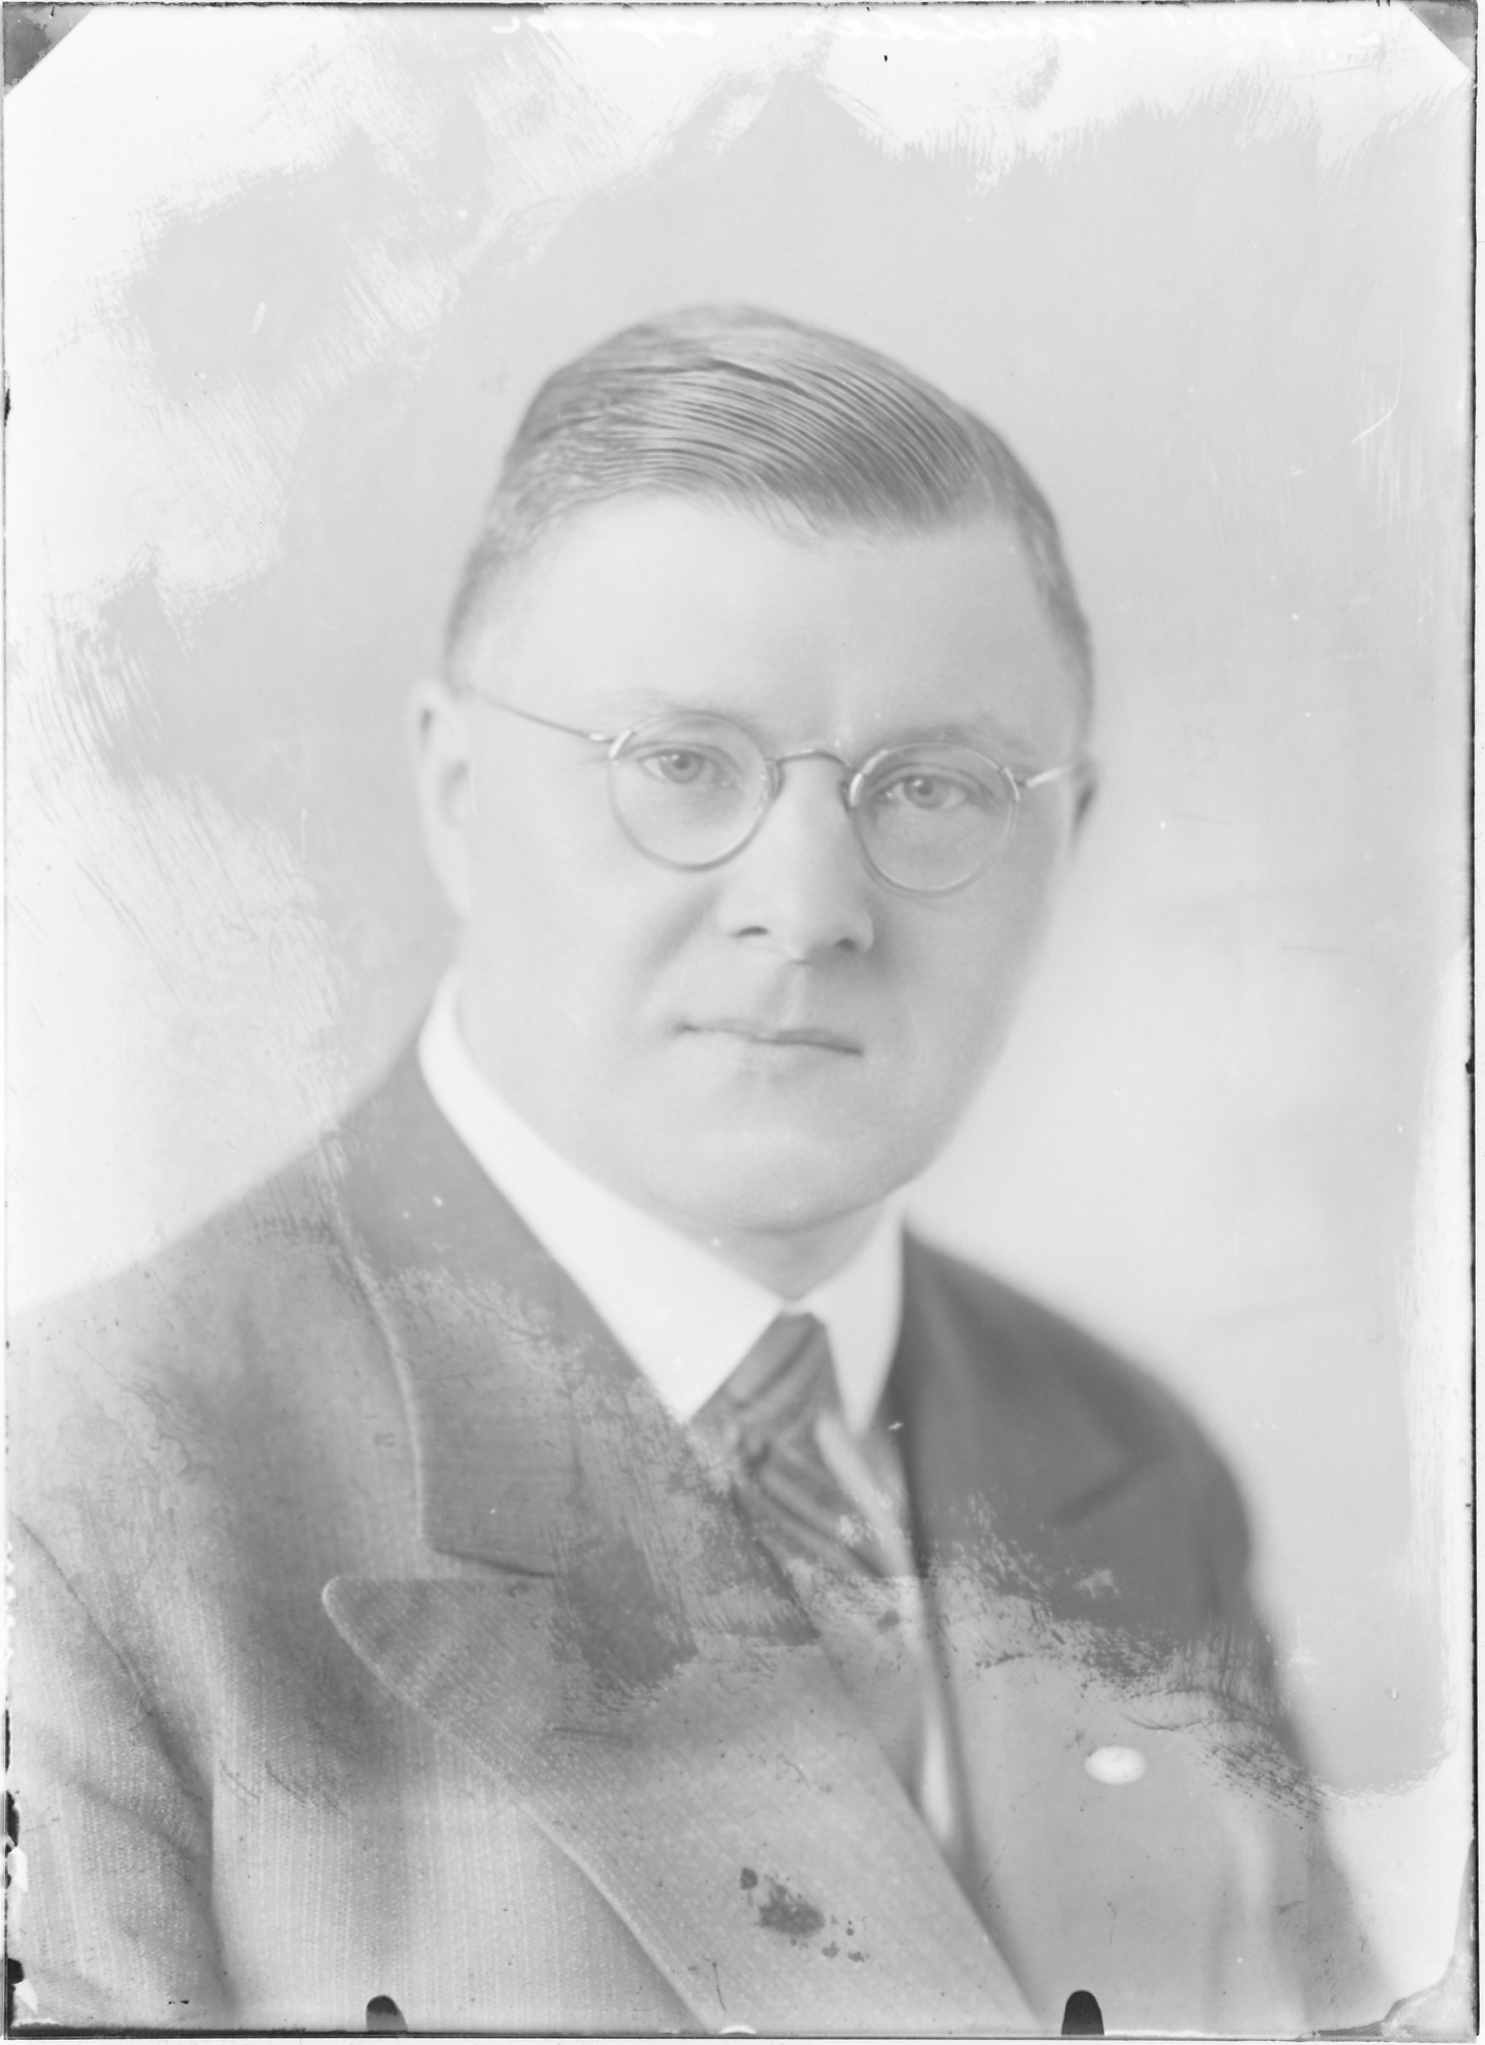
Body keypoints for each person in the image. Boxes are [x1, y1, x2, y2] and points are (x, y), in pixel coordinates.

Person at [8, 307, 1376, 2036]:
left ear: (1067, 839)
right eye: (678, 765)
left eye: (933, 786)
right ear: (453, 789)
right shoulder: (83, 1499)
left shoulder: (1126, 1464)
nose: (806, 908)